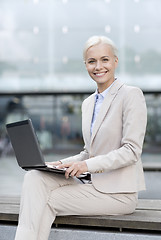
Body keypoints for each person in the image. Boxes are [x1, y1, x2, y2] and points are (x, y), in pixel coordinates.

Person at [14, 36, 147, 240]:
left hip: (118, 194)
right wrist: (59, 164)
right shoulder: (88, 103)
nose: (98, 66)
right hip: (91, 185)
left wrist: (86, 166)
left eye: (105, 59)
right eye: (92, 61)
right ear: (85, 64)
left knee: (45, 200)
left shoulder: (131, 95)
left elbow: (131, 151)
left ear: (115, 61)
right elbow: (88, 152)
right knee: (34, 177)